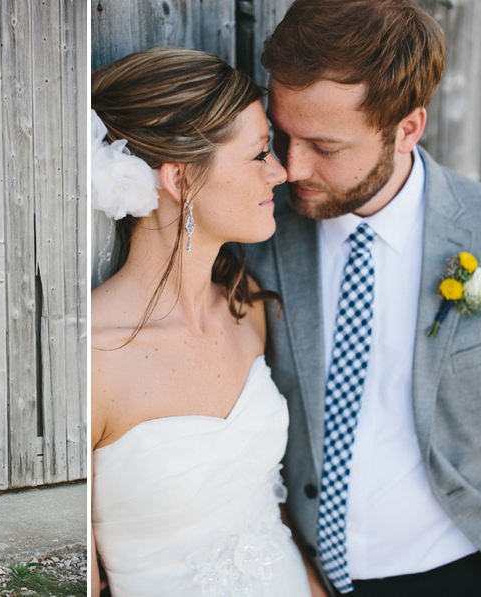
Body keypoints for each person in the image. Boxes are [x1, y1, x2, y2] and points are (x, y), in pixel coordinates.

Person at [246, 1, 481, 595]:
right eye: (282, 134)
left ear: (407, 128)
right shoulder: (252, 231)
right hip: (297, 568)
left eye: (325, 147)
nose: (291, 166)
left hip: (460, 562)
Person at [91, 47, 312, 596]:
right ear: (181, 179)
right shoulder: (93, 358)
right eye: (260, 154)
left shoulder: (247, 305)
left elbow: (265, 505)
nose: (281, 172)